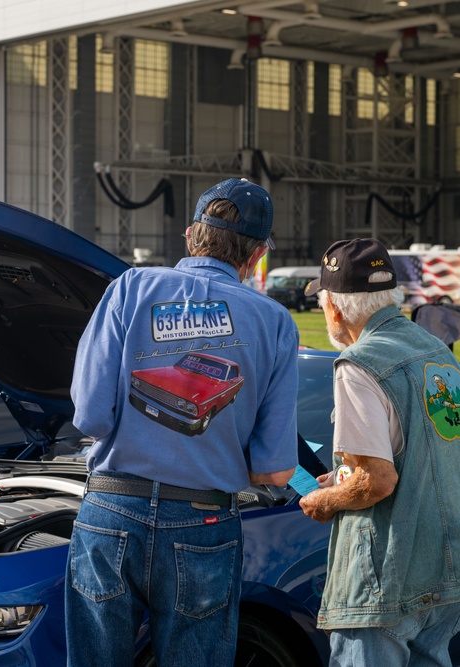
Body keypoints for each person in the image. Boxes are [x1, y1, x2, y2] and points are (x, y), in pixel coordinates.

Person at [66, 178, 299, 667]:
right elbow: (275, 472)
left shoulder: (130, 287)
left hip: (111, 509)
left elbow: (88, 414)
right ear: (256, 256)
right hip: (204, 521)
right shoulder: (275, 321)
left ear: (192, 235)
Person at [298, 238, 460, 667]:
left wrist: (326, 498)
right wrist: (343, 476)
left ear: (334, 307)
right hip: (455, 570)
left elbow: (380, 481)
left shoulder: (359, 363)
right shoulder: (437, 352)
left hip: (393, 575)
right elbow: (422, 453)